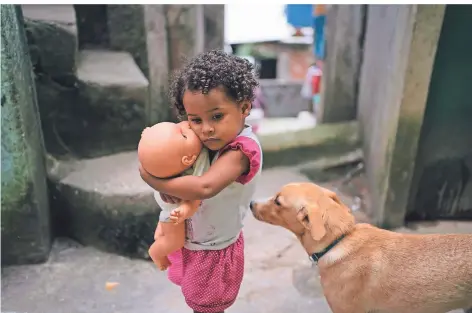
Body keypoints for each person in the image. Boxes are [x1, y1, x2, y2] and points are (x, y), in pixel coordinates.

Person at [139, 50, 263, 313]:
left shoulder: (242, 151)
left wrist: (152, 179)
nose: (205, 128)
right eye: (195, 120)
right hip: (193, 240)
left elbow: (204, 187)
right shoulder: (209, 140)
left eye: (216, 116)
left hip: (214, 249)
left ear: (244, 107)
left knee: (207, 307)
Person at [137, 121, 210, 271]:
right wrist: (185, 210)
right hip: (173, 209)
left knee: (167, 224)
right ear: (188, 159)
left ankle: (161, 231)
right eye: (184, 134)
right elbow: (195, 196)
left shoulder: (184, 150)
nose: (187, 126)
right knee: (175, 241)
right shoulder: (197, 165)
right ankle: (156, 252)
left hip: (166, 203)